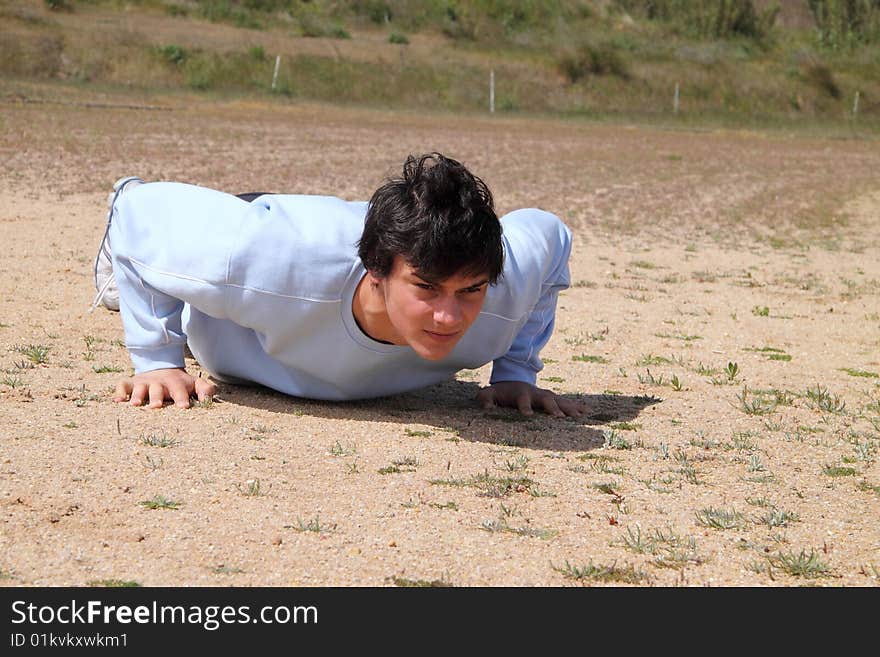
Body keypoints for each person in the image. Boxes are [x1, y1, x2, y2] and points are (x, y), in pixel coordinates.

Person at [93, 153, 583, 418]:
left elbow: (551, 235)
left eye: (470, 291)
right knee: (155, 259)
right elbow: (143, 211)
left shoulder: (503, 279)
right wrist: (157, 361)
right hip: (266, 239)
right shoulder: (261, 262)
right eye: (426, 287)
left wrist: (516, 371)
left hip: (335, 241)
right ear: (376, 269)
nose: (449, 316)